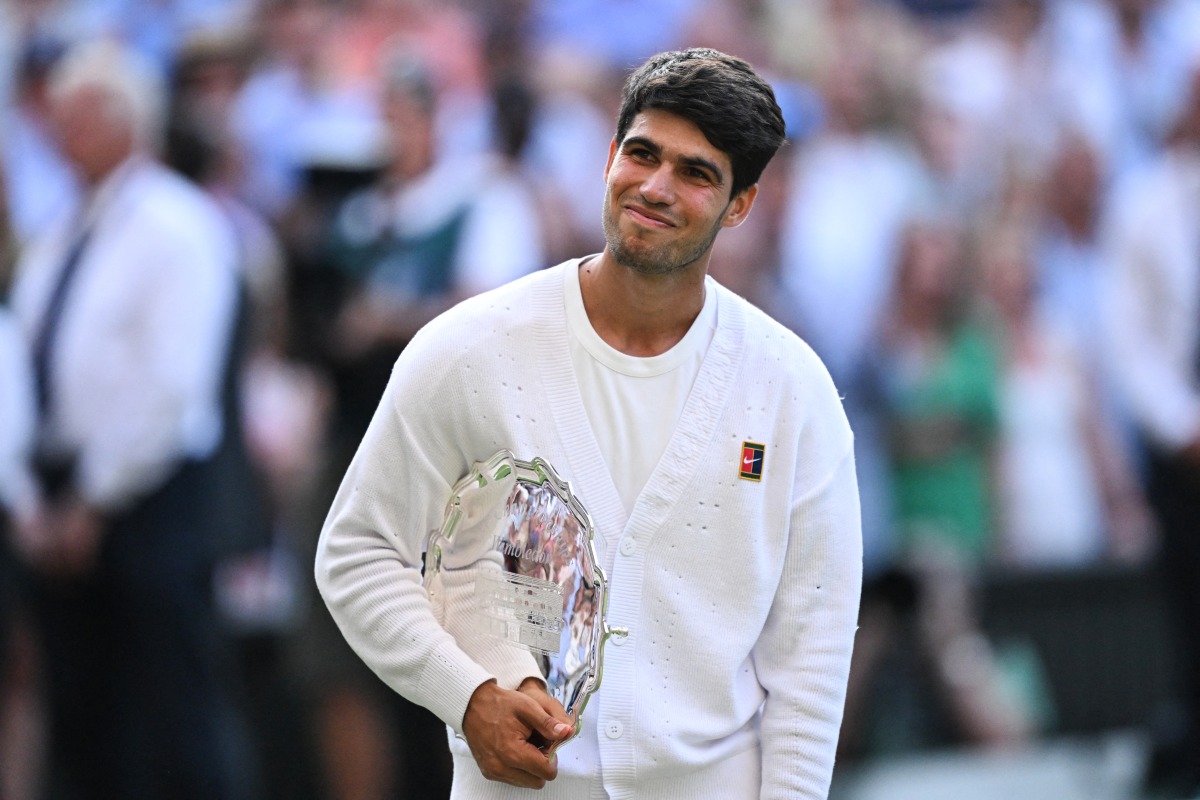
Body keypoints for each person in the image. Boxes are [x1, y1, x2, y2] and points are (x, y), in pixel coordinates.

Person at [315, 47, 863, 799]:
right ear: (609, 156)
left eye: (697, 173)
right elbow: (356, 551)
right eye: (642, 154)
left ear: (741, 205)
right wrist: (465, 696)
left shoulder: (791, 389)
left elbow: (812, 654)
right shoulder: (469, 351)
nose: (656, 187)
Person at [8, 40, 252, 799]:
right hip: (60, 501)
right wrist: (33, 502)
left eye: (80, 114)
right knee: (87, 724)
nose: (61, 130)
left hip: (153, 502)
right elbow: (23, 366)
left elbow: (172, 387)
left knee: (173, 716)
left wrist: (98, 499)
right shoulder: (59, 232)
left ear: (128, 120)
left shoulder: (175, 225)